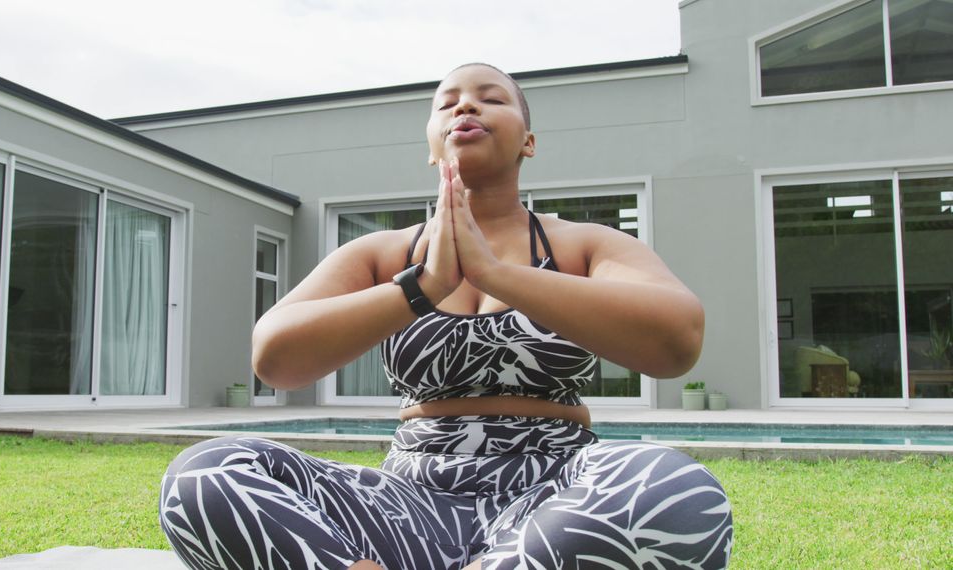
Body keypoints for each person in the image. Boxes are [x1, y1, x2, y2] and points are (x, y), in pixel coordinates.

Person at [159, 63, 733, 570]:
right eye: (448, 101)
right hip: (405, 505)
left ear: (528, 141)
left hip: (555, 493)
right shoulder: (383, 255)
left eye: (492, 97)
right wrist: (423, 286)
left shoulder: (585, 245)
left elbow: (676, 338)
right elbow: (275, 357)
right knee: (204, 474)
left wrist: (496, 273)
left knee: (679, 490)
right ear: (432, 146)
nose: (466, 105)